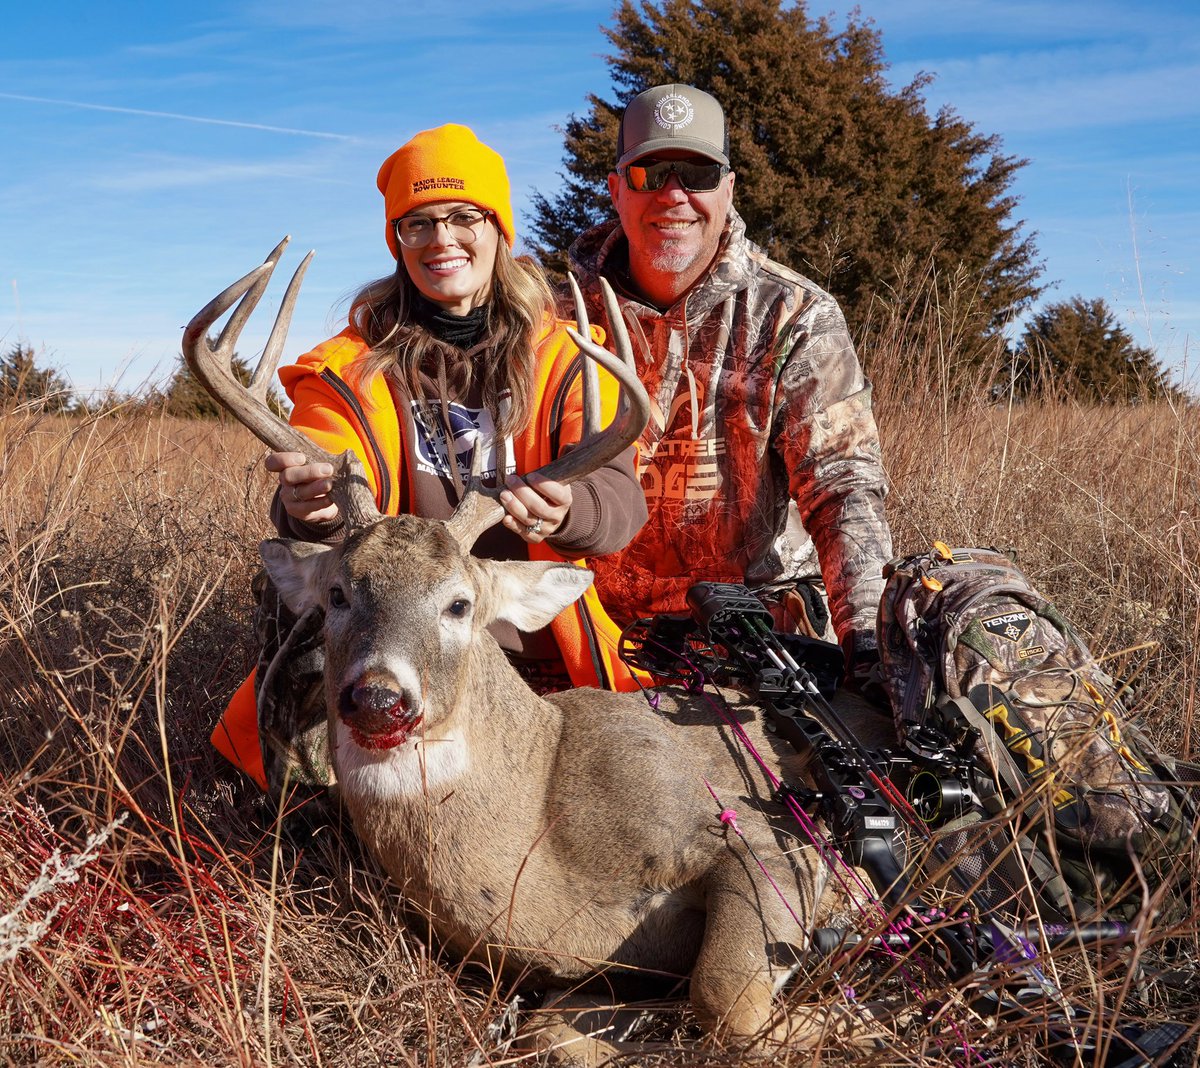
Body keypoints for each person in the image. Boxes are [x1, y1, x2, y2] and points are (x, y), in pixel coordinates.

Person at [212, 123, 647, 793]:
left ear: (499, 230)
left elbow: (620, 502)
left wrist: (573, 507)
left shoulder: (567, 358)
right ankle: (308, 814)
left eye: (464, 217)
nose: (442, 239)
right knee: (303, 603)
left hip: (524, 628)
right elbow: (327, 453)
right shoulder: (347, 369)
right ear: (397, 242)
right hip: (393, 629)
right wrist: (312, 504)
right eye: (418, 224)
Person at [567, 83, 893, 688]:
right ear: (616, 189)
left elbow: (843, 492)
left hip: (754, 634)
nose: (674, 195)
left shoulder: (794, 315)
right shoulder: (553, 312)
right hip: (587, 630)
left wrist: (871, 654)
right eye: (649, 172)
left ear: (728, 189)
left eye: (696, 173)